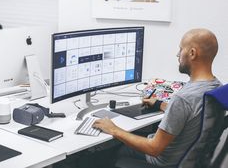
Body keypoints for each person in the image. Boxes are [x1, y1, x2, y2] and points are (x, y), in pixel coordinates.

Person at [93, 28, 222, 168]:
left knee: (112, 152)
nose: (177, 54)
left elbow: (154, 149)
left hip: (162, 162)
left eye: (181, 49)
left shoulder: (183, 98)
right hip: (190, 160)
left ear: (192, 53)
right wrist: (161, 105)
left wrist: (113, 129)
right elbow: (195, 115)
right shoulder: (216, 87)